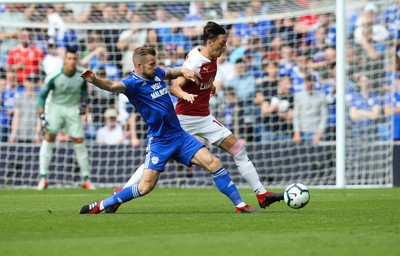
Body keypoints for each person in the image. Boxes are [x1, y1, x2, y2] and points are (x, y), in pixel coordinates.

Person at [106, 22, 284, 214]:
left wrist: (210, 86)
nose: (225, 47)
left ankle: (261, 194)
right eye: (222, 43)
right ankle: (119, 195)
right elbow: (175, 87)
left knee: (238, 148)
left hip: (204, 117)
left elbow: (203, 80)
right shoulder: (195, 62)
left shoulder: (212, 56)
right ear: (210, 42)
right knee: (154, 162)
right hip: (183, 119)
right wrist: (185, 95)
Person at [79, 45, 260, 214]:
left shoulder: (156, 72)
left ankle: (240, 205)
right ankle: (102, 205)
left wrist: (184, 71)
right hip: (160, 141)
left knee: (215, 163)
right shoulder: (132, 84)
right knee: (145, 187)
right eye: (151, 64)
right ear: (139, 65)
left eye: (155, 63)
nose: (155, 66)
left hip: (179, 136)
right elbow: (111, 85)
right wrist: (94, 79)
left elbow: (171, 72)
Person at [37, 48, 93, 190]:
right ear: (64, 60)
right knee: (49, 137)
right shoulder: (53, 76)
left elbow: (85, 91)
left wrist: (84, 103)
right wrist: (42, 116)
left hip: (72, 108)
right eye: (69, 58)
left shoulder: (82, 74)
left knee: (79, 140)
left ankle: (86, 179)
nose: (72, 61)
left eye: (74, 59)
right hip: (55, 107)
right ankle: (43, 178)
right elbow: (42, 96)